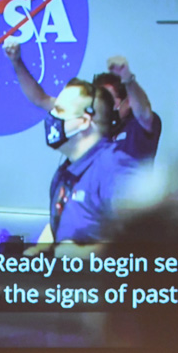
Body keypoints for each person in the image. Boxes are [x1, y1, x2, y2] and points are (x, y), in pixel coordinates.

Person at [4, 41, 161, 161]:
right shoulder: (90, 116)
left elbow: (144, 111)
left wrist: (128, 79)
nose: (104, 105)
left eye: (110, 100)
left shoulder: (139, 124)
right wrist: (17, 63)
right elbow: (40, 99)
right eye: (101, 100)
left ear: (126, 102)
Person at [32, 79, 139, 254]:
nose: (52, 117)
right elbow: (60, 228)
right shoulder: (64, 173)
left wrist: (81, 254)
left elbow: (139, 244)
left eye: (59, 110)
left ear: (83, 121)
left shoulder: (115, 170)